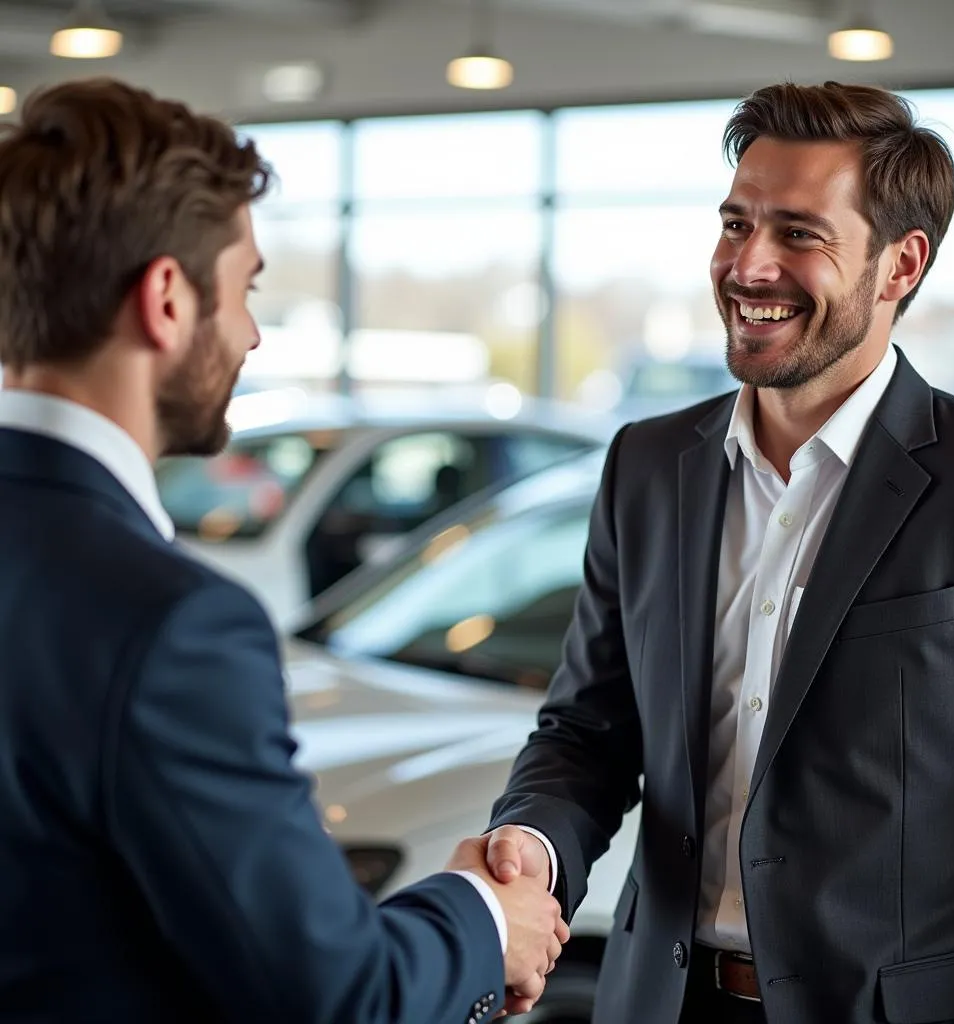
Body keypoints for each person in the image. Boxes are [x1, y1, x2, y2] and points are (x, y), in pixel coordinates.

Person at [0, 77, 567, 1023]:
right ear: (168, 301)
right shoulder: (171, 624)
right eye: (247, 288)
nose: (254, 333)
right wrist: (484, 918)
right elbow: (334, 994)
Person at [475, 81, 954, 1023]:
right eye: (736, 224)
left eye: (800, 234)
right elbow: (587, 730)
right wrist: (534, 846)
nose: (749, 266)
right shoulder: (646, 464)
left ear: (900, 265)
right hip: (659, 1000)